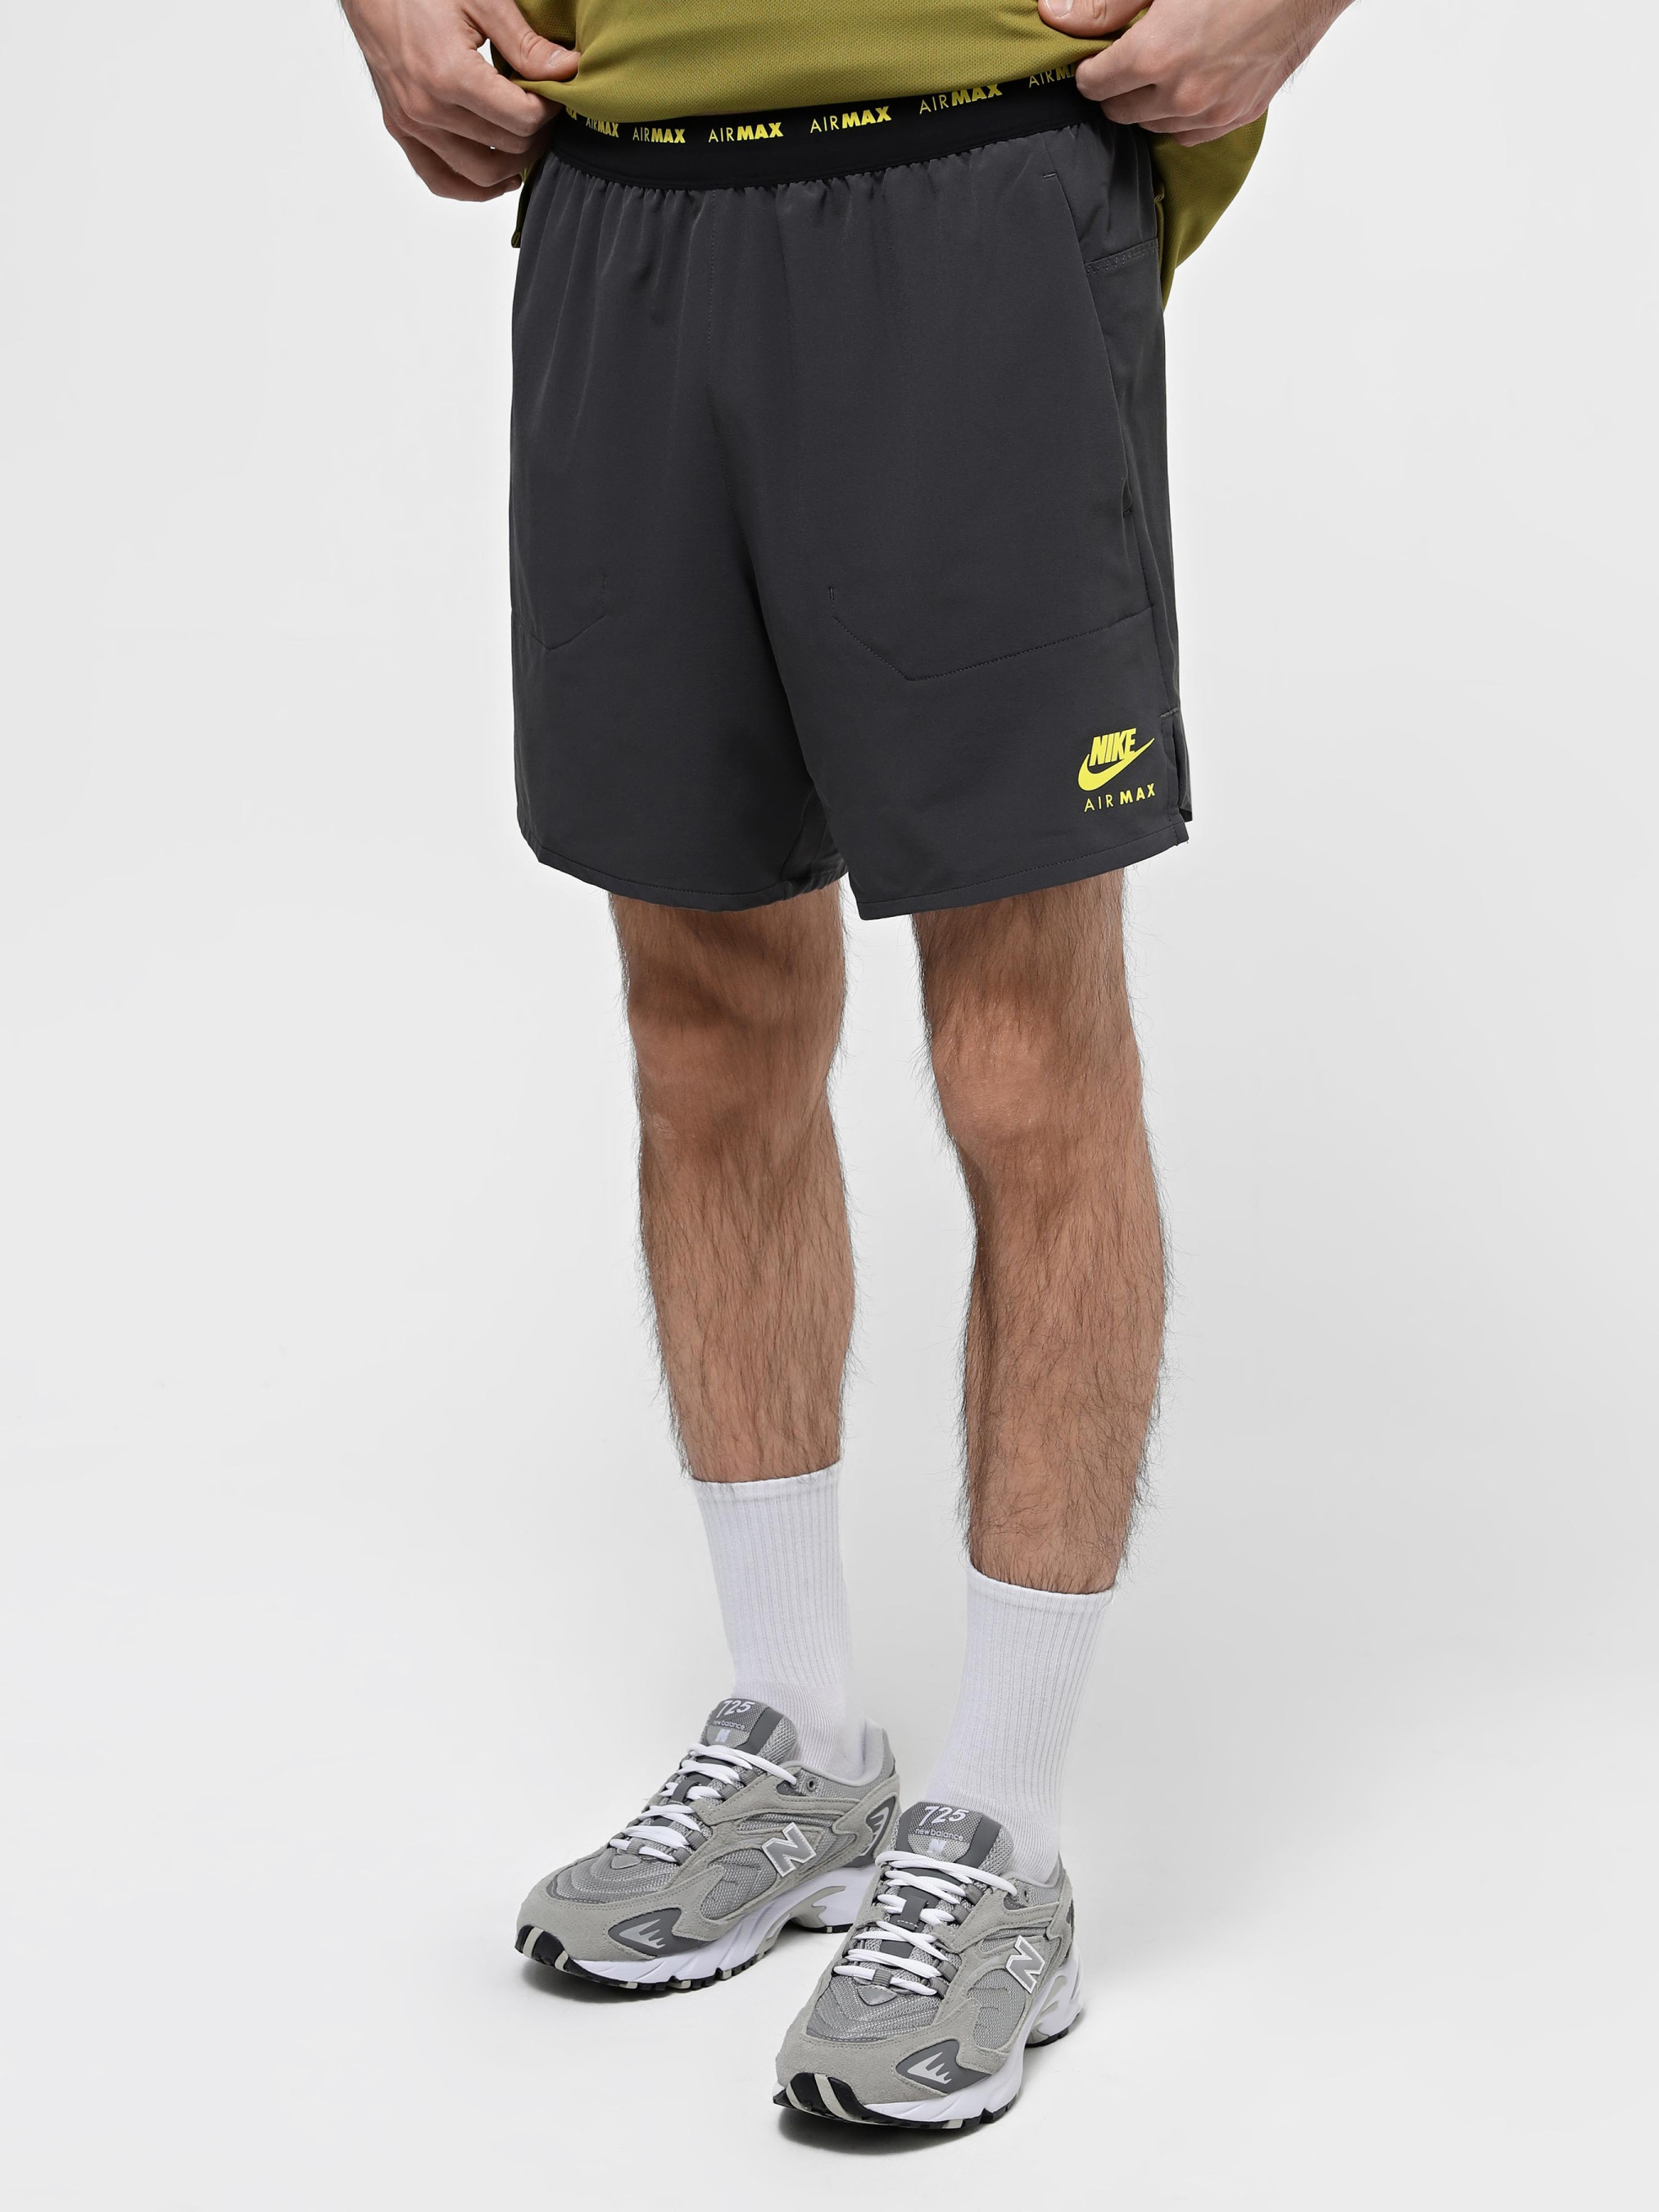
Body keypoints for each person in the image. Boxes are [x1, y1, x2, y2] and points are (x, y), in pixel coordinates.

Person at [340, 0, 1353, 2133]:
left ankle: (1001, 1834)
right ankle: (797, 1735)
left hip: (975, 172)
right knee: (702, 1018)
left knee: (1021, 1053)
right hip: (618, 198)